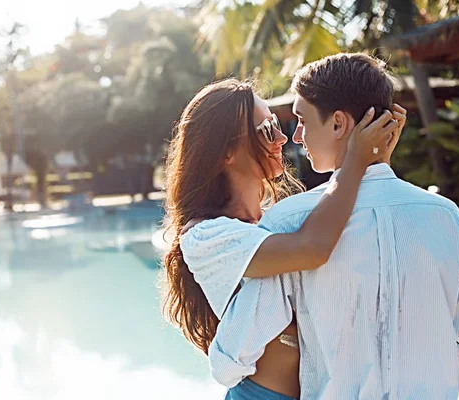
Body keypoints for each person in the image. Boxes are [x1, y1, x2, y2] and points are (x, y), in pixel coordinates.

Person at [207, 53, 459, 399]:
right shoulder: (445, 216)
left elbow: (232, 359)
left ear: (337, 124)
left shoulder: (289, 221)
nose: (297, 136)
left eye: (302, 121)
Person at [162, 73, 405, 398]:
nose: (281, 138)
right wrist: (357, 161)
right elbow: (312, 249)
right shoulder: (206, 237)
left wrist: (379, 161)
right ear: (225, 153)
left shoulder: (278, 218)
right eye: (265, 130)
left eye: (276, 124)